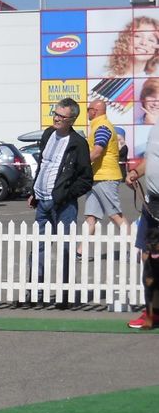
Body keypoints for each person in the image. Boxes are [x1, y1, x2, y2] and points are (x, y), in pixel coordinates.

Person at [26, 98, 93, 309]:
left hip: (63, 205)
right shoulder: (48, 134)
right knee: (39, 247)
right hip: (42, 201)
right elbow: (43, 166)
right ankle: (36, 293)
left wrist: (64, 195)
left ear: (71, 119)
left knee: (65, 248)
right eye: (55, 114)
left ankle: (65, 294)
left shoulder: (78, 143)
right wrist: (34, 191)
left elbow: (86, 179)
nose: (56, 118)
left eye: (61, 116)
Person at [78, 100, 129, 258]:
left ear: (95, 111)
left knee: (115, 216)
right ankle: (80, 252)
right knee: (91, 216)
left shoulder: (103, 127)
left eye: (88, 109)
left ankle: (136, 248)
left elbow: (97, 151)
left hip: (105, 177)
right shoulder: (98, 126)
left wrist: (80, 167)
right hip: (97, 177)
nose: (87, 112)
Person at [124, 121, 159, 328]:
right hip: (152, 200)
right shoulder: (155, 127)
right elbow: (151, 160)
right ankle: (153, 313)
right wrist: (136, 172)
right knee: (148, 256)